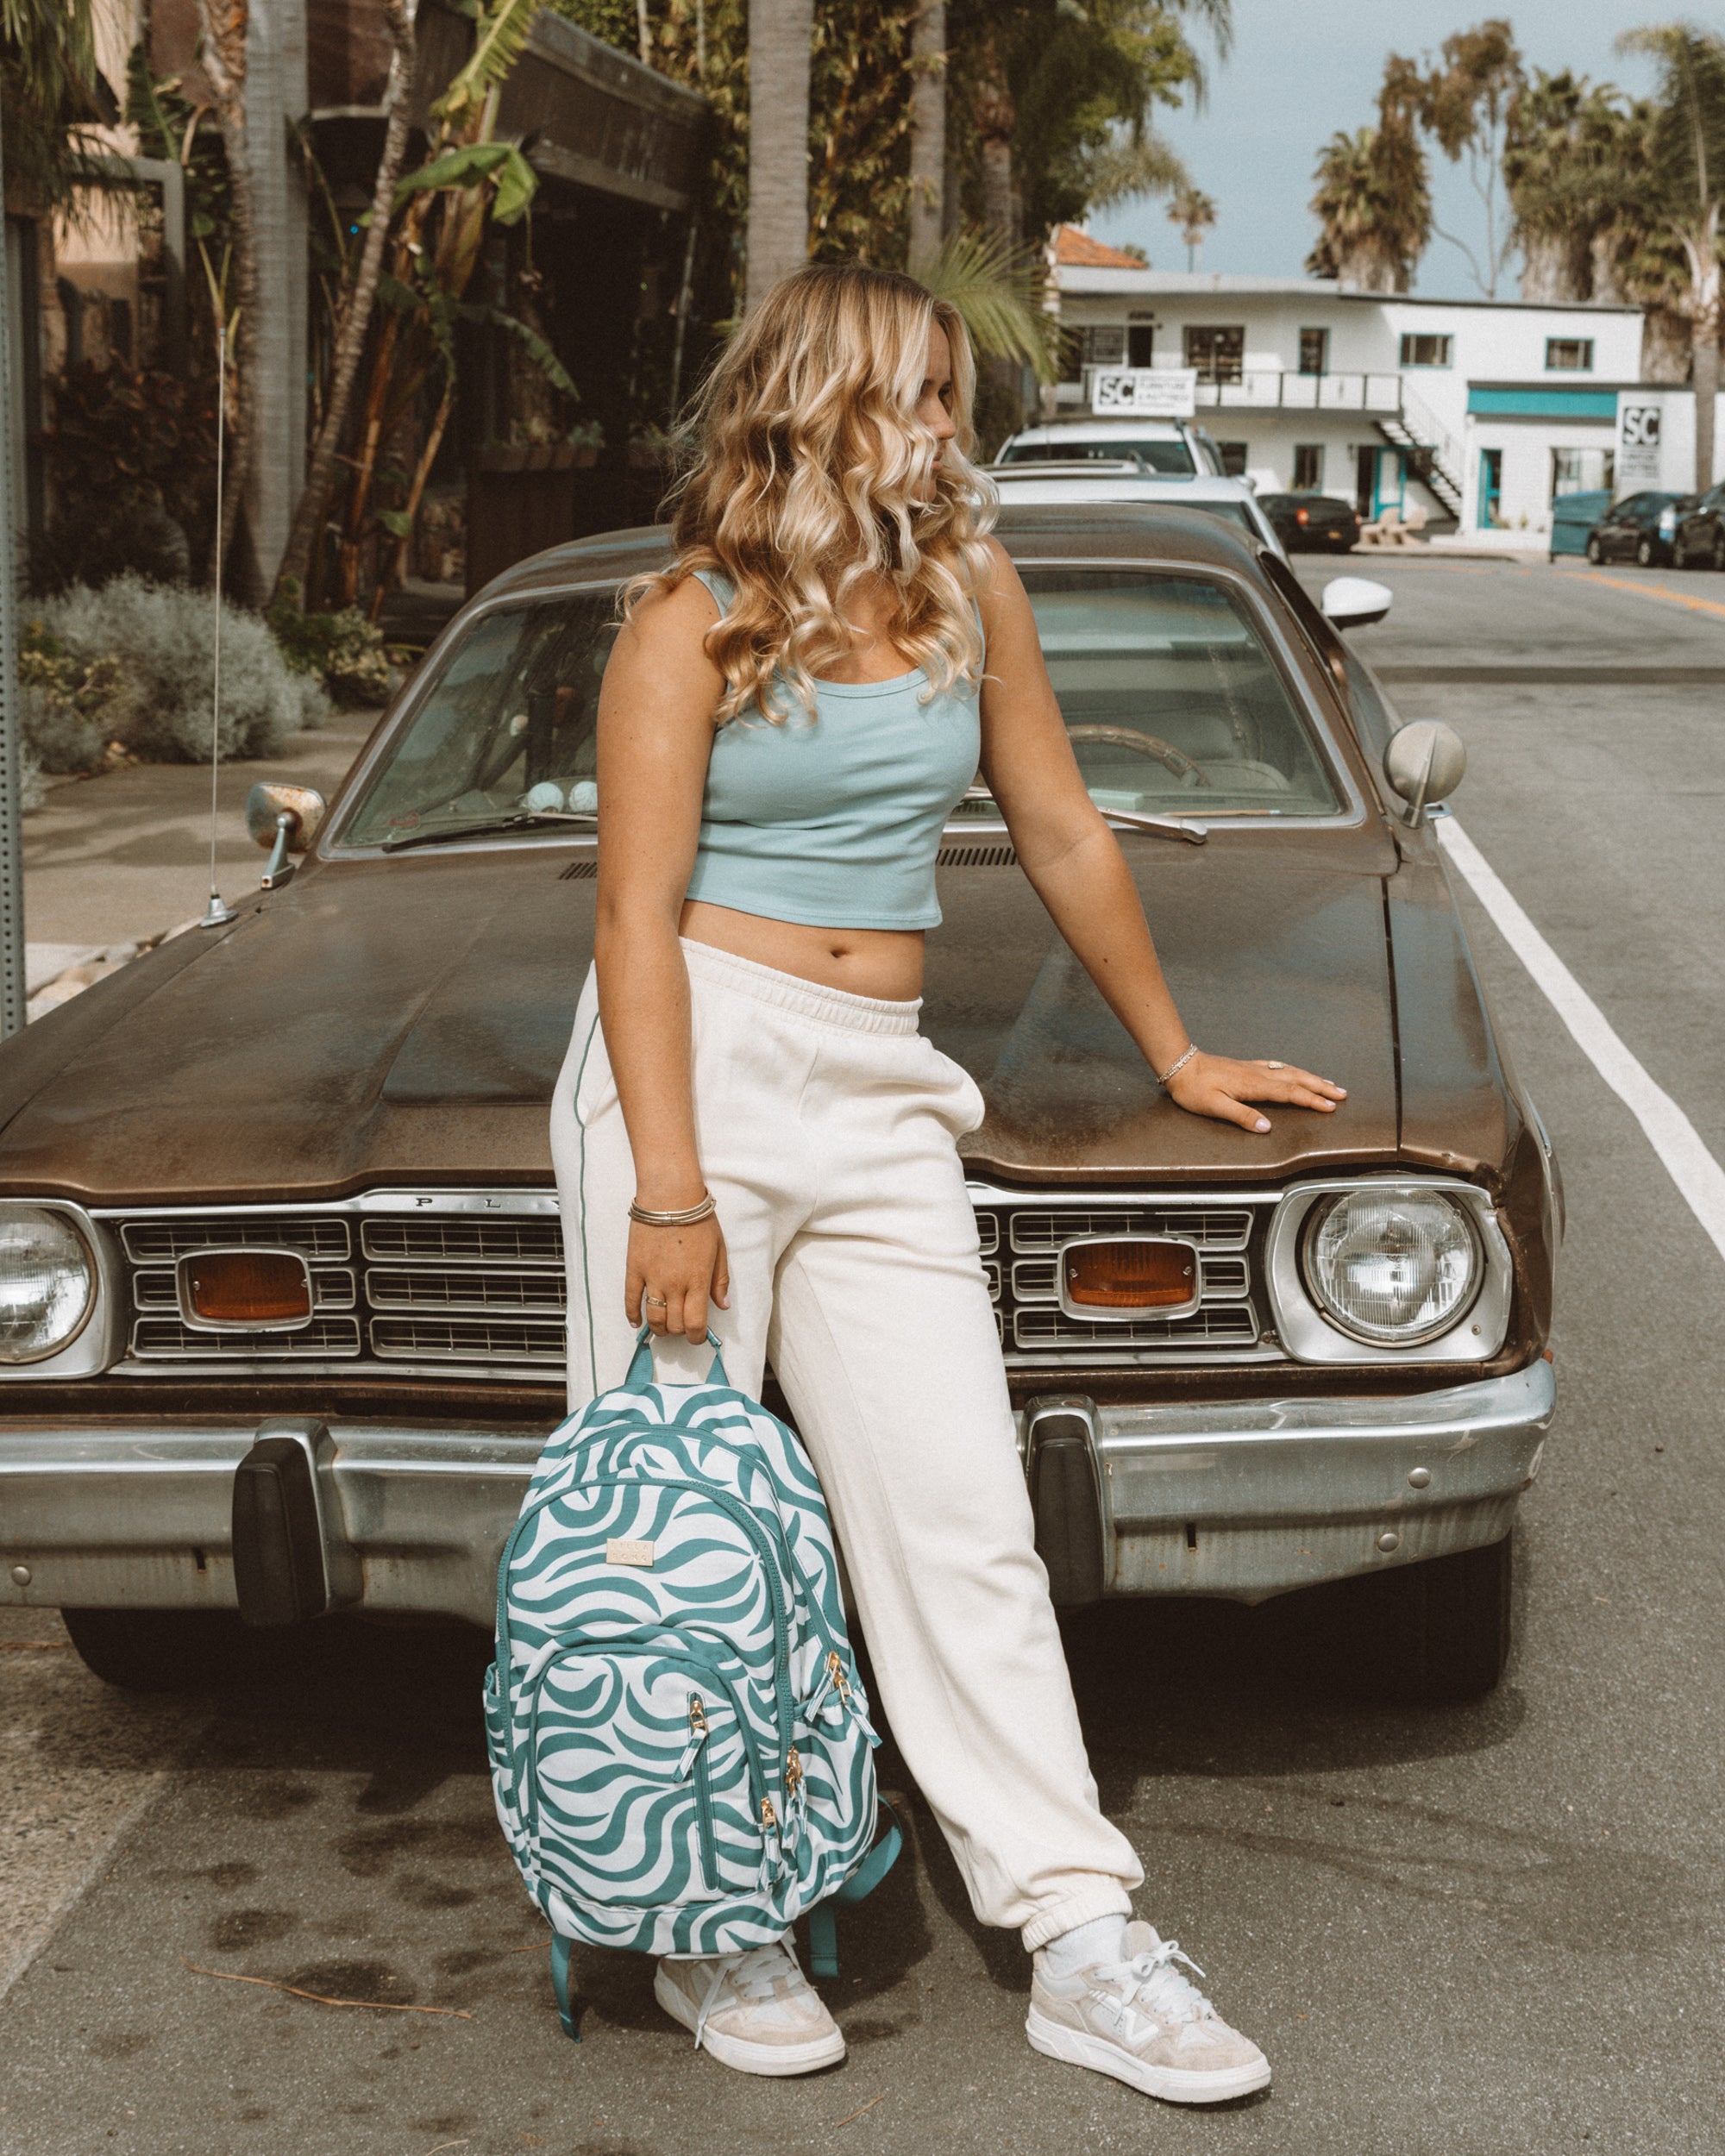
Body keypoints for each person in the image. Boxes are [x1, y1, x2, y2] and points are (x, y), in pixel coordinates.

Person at [549, 262, 1345, 2105]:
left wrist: (1175, 1051)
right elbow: (630, 916)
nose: (945, 425)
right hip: (692, 1075)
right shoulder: (689, 616)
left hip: (881, 1081)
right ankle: (712, 1914)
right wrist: (668, 1184)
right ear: (816, 404)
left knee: (963, 1516)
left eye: (948, 393)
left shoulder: (970, 582)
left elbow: (1057, 825)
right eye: (912, 393)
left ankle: (1077, 1928)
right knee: (683, 1527)